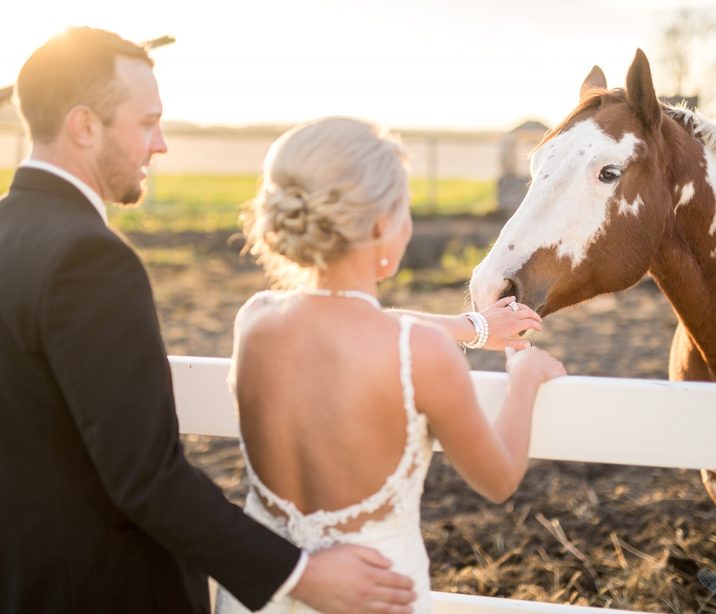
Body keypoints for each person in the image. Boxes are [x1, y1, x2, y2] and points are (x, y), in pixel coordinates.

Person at [0, 27, 419, 614]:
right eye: (147, 122)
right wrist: (298, 574)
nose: (161, 144)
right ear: (84, 126)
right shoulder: (88, 260)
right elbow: (145, 476)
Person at [215, 117, 567, 614]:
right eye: (405, 206)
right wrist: (525, 381)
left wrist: (474, 327)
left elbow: (351, 319)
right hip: (375, 598)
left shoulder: (255, 319)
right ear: (382, 225)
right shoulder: (422, 354)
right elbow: (500, 479)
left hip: (259, 599)